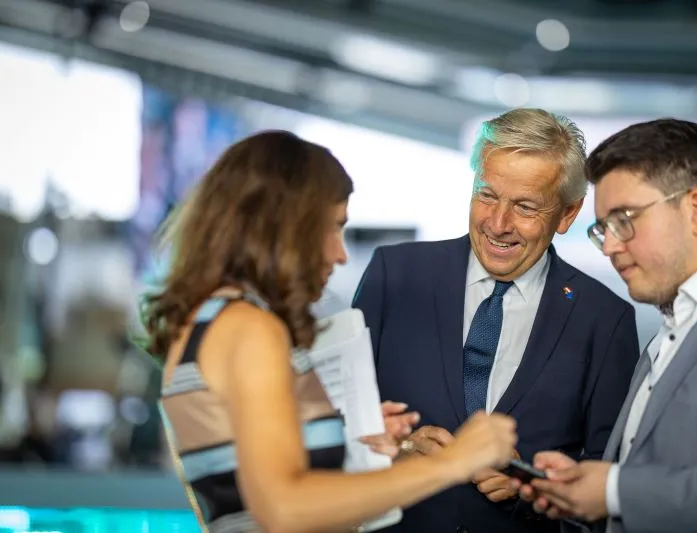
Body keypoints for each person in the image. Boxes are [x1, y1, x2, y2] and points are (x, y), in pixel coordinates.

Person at [140, 130, 519, 533]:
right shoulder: (251, 328)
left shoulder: (211, 321)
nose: (340, 255)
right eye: (333, 228)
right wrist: (452, 463)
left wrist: (351, 443)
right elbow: (284, 509)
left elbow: (250, 482)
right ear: (287, 227)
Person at [352, 108, 641, 533]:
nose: (498, 224)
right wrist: (394, 449)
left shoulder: (604, 320)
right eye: (487, 195)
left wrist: (534, 489)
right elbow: (330, 421)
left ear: (567, 215)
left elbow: (605, 488)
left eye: (525, 207)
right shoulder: (394, 275)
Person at [524, 119, 697, 533]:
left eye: (625, 219)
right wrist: (586, 491)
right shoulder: (670, 327)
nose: (612, 246)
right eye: (603, 229)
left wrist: (616, 490)